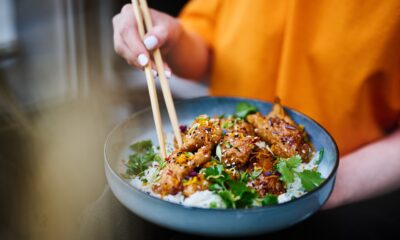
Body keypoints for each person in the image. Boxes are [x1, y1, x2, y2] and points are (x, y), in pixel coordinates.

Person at [112, 0, 400, 209]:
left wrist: (324, 187)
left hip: (353, 189)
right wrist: (171, 39)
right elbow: (206, 49)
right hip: (222, 140)